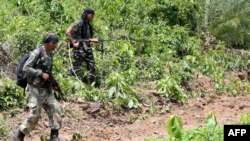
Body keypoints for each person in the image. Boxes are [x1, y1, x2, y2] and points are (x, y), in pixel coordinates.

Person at [13, 33, 62, 141]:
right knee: (34, 116)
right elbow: (26, 68)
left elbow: (48, 72)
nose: (55, 45)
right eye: (53, 43)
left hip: (46, 89)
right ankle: (19, 136)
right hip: (34, 89)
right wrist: (40, 74)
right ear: (46, 43)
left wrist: (54, 84)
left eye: (56, 43)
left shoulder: (50, 54)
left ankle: (54, 136)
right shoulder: (37, 53)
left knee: (56, 110)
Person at [66, 8, 100, 86]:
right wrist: (73, 42)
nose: (93, 17)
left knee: (91, 66)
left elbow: (86, 38)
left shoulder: (87, 24)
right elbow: (68, 31)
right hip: (79, 49)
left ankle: (90, 85)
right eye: (92, 16)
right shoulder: (79, 22)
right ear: (87, 15)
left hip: (87, 47)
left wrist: (93, 41)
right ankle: (68, 83)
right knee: (75, 67)